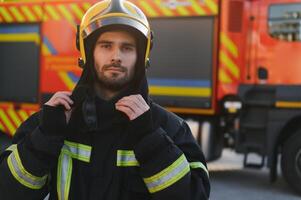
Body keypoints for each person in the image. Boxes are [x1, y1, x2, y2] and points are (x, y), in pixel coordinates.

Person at [0, 0, 210, 199]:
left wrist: (150, 139)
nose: (116, 56)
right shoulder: (54, 122)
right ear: (88, 52)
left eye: (127, 48)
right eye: (106, 46)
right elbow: (7, 193)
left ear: (141, 56)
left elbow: (194, 195)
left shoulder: (169, 128)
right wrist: (44, 138)